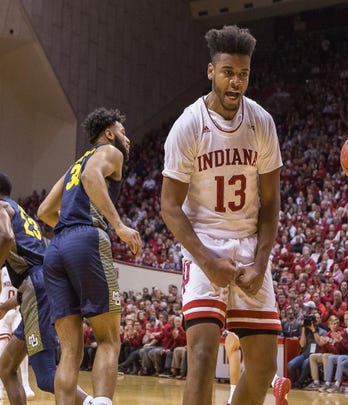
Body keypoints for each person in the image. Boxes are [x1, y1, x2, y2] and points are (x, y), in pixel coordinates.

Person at [160, 25, 287, 405]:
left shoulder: (261, 123)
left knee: (264, 366)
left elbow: (271, 203)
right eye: (229, 72)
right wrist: (206, 260)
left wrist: (261, 262)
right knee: (201, 356)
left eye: (244, 73)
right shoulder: (188, 125)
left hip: (249, 243)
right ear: (211, 71)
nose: (236, 82)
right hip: (203, 244)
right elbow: (169, 206)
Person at [37, 108, 142, 405]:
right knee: (109, 340)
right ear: (109, 133)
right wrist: (119, 226)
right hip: (86, 240)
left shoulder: (73, 165)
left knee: (70, 351)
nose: (128, 140)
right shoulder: (110, 152)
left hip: (56, 248)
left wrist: (68, 230)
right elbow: (92, 175)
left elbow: (44, 211)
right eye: (123, 132)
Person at [0, 172, 92, 405]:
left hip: (39, 288)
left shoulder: (1, 207)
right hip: (43, 284)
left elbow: (5, 237)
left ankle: (93, 403)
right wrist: (5, 305)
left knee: (45, 375)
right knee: (6, 367)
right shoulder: (20, 212)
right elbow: (33, 276)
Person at [0, 266, 34, 399]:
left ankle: (26, 383)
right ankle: (1, 387)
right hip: (3, 311)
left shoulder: (20, 267)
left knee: (20, 345)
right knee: (2, 348)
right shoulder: (2, 271)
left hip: (18, 309)